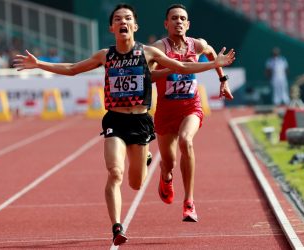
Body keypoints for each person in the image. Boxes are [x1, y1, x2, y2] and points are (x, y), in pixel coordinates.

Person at [13, 3, 235, 246]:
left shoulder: (149, 52)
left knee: (136, 182)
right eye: (117, 19)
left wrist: (215, 65)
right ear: (111, 27)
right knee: (115, 173)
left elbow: (182, 67)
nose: (122, 22)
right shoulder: (105, 55)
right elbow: (73, 68)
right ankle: (116, 226)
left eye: (127, 18)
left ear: (135, 26)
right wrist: (40, 64)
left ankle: (148, 157)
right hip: (115, 121)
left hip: (140, 121)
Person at [150, 4, 234, 222]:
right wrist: (175, 67)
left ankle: (189, 202)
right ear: (166, 24)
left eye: (182, 18)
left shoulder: (197, 45)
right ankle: (165, 176)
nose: (178, 21)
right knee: (169, 163)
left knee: (186, 141)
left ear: (187, 24)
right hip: (166, 112)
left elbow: (212, 54)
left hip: (191, 107)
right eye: (174, 18)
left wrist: (223, 80)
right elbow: (148, 76)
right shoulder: (158, 48)